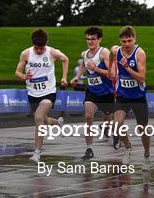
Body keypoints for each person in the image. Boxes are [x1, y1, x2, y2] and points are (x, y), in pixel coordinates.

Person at [15, 28, 68, 163]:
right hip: (32, 93)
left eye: (41, 48)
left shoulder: (52, 52)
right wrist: (24, 76)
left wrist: (64, 77)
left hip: (48, 92)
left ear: (47, 43)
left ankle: (37, 153)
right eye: (36, 48)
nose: (39, 51)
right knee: (43, 120)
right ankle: (57, 122)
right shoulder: (26, 54)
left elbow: (65, 59)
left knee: (38, 117)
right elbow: (17, 73)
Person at [71, 26, 115, 160]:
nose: (90, 42)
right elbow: (84, 65)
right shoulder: (85, 54)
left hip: (106, 92)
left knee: (108, 116)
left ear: (99, 39)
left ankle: (109, 129)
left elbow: (112, 74)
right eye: (88, 39)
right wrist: (77, 77)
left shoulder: (104, 53)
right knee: (88, 116)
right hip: (92, 91)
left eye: (93, 39)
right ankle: (89, 148)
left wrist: (95, 68)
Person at [109, 26, 150, 170]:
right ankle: (127, 147)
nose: (127, 44)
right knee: (117, 124)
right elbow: (111, 55)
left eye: (129, 40)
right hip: (122, 95)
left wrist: (127, 68)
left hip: (138, 96)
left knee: (143, 129)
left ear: (135, 39)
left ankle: (146, 155)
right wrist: (111, 70)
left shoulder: (140, 53)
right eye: (124, 41)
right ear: (120, 40)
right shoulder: (116, 50)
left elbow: (142, 77)